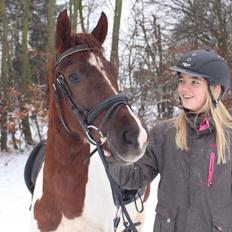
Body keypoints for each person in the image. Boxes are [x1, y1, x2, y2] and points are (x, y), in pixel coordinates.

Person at [107, 49, 232, 232]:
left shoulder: (229, 138)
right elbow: (134, 177)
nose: (184, 89)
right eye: (182, 80)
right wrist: (113, 152)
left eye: (194, 82)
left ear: (215, 89)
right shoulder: (164, 133)